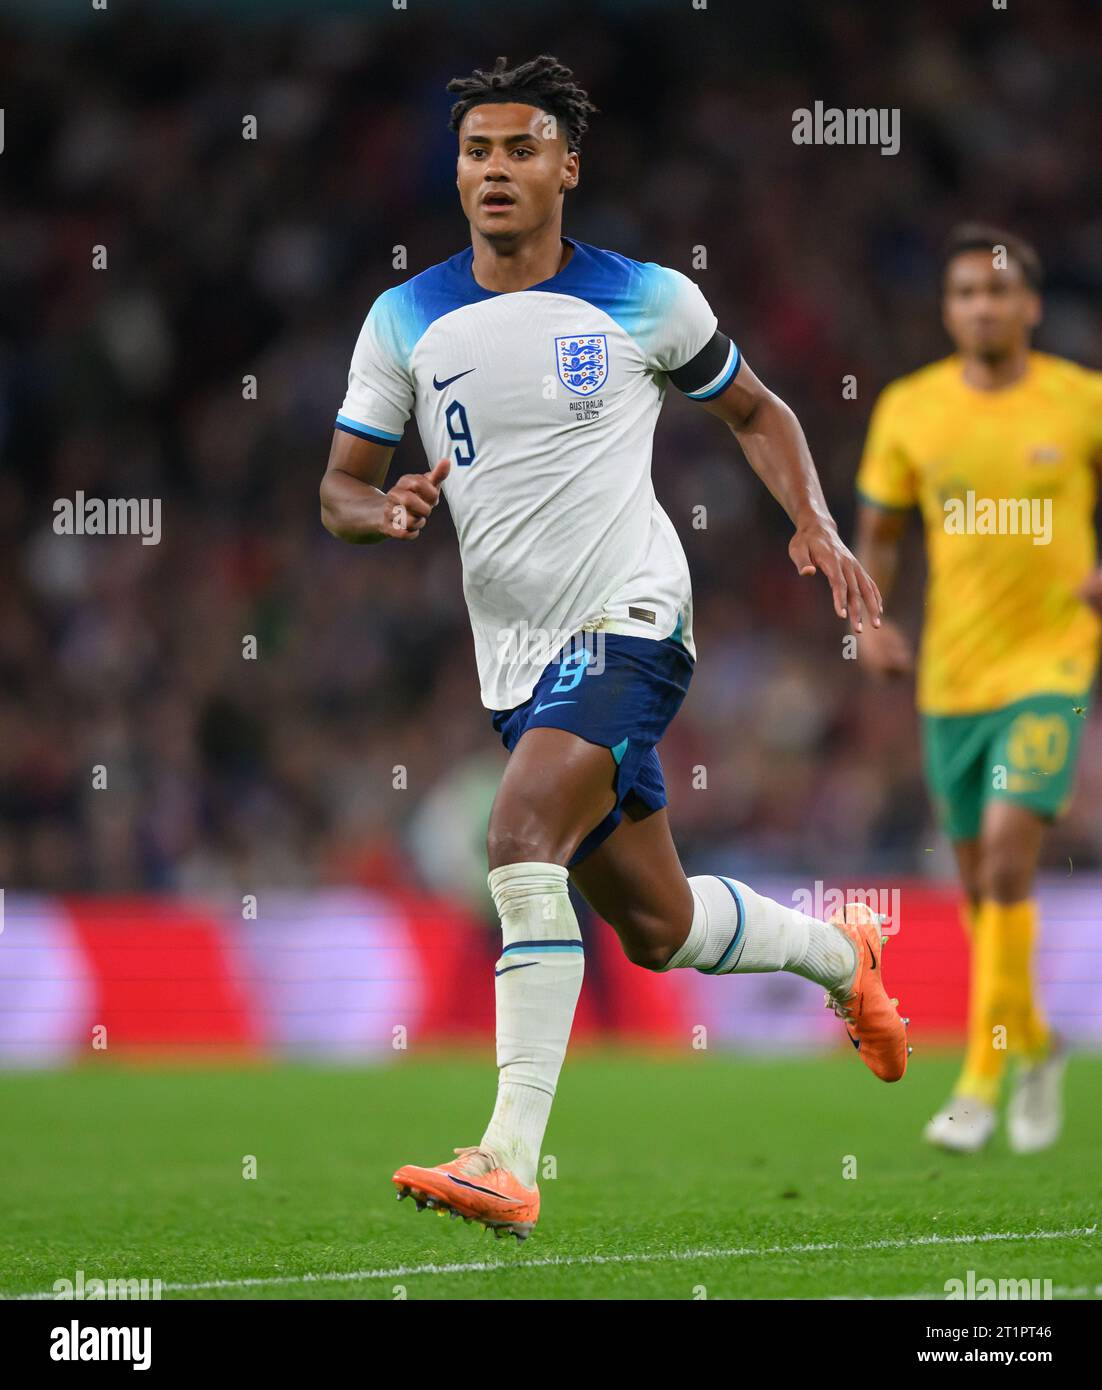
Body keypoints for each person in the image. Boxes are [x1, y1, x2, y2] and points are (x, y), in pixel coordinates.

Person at [321, 55, 907, 1240]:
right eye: (477, 150)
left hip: (634, 616)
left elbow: (758, 410)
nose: (495, 168)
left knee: (515, 834)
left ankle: (505, 1156)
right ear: (458, 171)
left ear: (566, 168)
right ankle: (843, 957)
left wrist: (813, 520)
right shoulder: (405, 317)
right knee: (660, 928)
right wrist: (379, 510)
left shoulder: (645, 298)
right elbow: (338, 483)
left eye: (521, 148)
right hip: (518, 661)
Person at [854, 224, 1102, 1154]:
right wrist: (871, 620)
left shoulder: (1082, 401)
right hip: (952, 680)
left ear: (1030, 306)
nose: (982, 307)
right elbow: (877, 531)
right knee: (973, 886)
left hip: (1051, 668)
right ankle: (1039, 1043)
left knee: (1006, 860)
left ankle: (982, 1077)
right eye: (964, 293)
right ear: (949, 308)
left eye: (998, 293)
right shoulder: (910, 409)